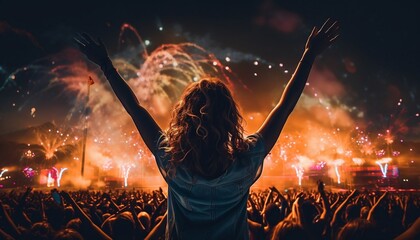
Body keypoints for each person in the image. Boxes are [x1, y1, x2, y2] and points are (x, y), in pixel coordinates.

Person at [74, 18, 339, 239]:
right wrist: (309, 55)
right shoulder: (246, 161)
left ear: (185, 117)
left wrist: (106, 66)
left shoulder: (171, 159)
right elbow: (284, 108)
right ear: (229, 117)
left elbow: (136, 109)